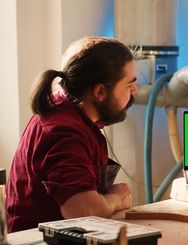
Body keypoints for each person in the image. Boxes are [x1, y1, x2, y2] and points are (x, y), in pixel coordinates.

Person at [7, 37, 138, 232]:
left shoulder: (69, 111)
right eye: (129, 84)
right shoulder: (64, 131)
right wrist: (116, 199)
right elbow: (82, 211)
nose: (135, 90)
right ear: (100, 91)